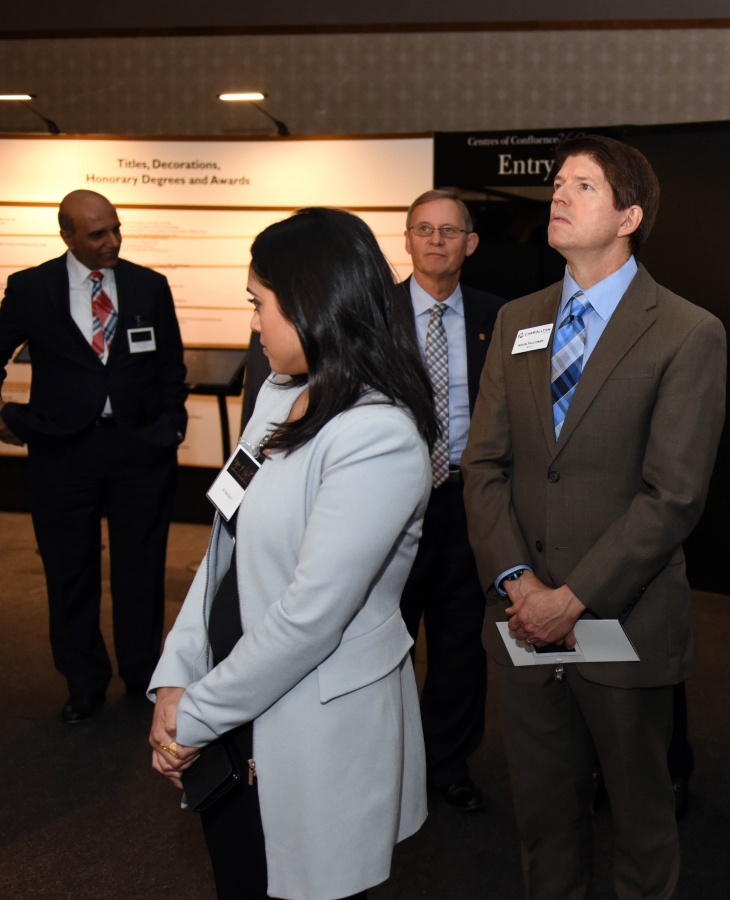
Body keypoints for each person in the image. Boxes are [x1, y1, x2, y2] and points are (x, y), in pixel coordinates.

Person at [462, 134, 726, 900]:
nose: (559, 194)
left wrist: (568, 599)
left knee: (641, 822)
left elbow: (673, 495)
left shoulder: (686, 330)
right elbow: (486, 465)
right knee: (544, 818)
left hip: (624, 620)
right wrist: (520, 587)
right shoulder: (517, 319)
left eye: (583, 185)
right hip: (520, 617)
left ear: (628, 216)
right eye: (557, 181)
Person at [147, 208, 436, 900]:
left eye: (259, 304)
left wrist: (198, 711)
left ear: (311, 305)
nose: (253, 323)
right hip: (231, 704)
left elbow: (311, 616)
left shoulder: (379, 436)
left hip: (312, 725)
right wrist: (175, 676)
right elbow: (223, 547)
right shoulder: (280, 397)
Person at [0, 189, 186, 722]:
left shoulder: (149, 285)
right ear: (67, 236)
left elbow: (170, 365)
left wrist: (171, 424)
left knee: (141, 568)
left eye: (116, 229)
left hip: (140, 450)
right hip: (63, 450)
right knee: (68, 570)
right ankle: (83, 681)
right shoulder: (31, 288)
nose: (112, 242)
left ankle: (141, 673)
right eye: (97, 234)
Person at [396, 189, 506, 812]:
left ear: (470, 243)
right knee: (389, 641)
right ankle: (387, 760)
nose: (436, 240)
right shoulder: (374, 316)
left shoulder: (504, 318)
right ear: (407, 240)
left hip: (469, 505)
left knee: (462, 644)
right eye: (424, 229)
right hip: (393, 508)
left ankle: (448, 762)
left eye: (449, 231)